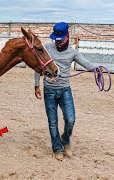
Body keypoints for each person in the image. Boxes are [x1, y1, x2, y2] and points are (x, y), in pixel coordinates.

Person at [34, 22, 97, 161]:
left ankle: (65, 139)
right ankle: (57, 148)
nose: (58, 44)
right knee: (53, 122)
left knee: (70, 119)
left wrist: (98, 68)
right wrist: (36, 85)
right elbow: (38, 66)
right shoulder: (46, 48)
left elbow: (85, 63)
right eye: (56, 40)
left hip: (65, 91)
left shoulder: (72, 52)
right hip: (49, 90)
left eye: (61, 40)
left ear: (68, 36)